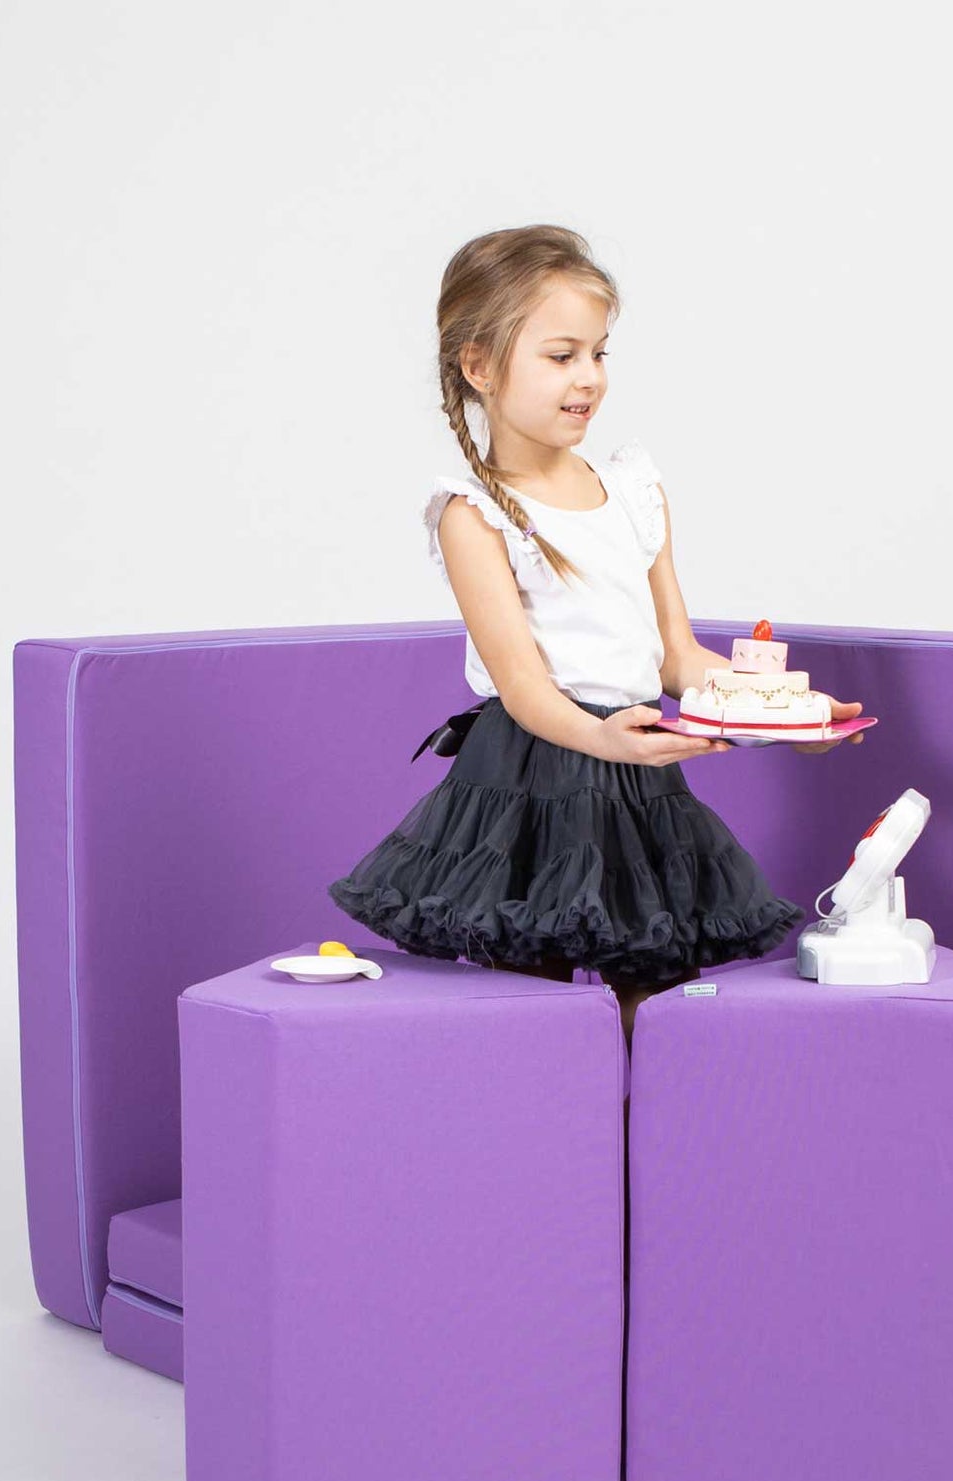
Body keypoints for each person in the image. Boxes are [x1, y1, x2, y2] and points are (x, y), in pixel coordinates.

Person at [327, 224, 864, 1049]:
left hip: (635, 774)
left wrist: (789, 715)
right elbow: (526, 690)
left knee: (653, 1004)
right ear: (480, 366)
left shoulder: (633, 491)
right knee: (534, 1011)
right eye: (561, 355)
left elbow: (677, 656)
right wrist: (606, 743)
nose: (588, 380)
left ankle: (644, 1170)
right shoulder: (473, 516)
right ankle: (544, 1166)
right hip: (532, 780)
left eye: (599, 354)